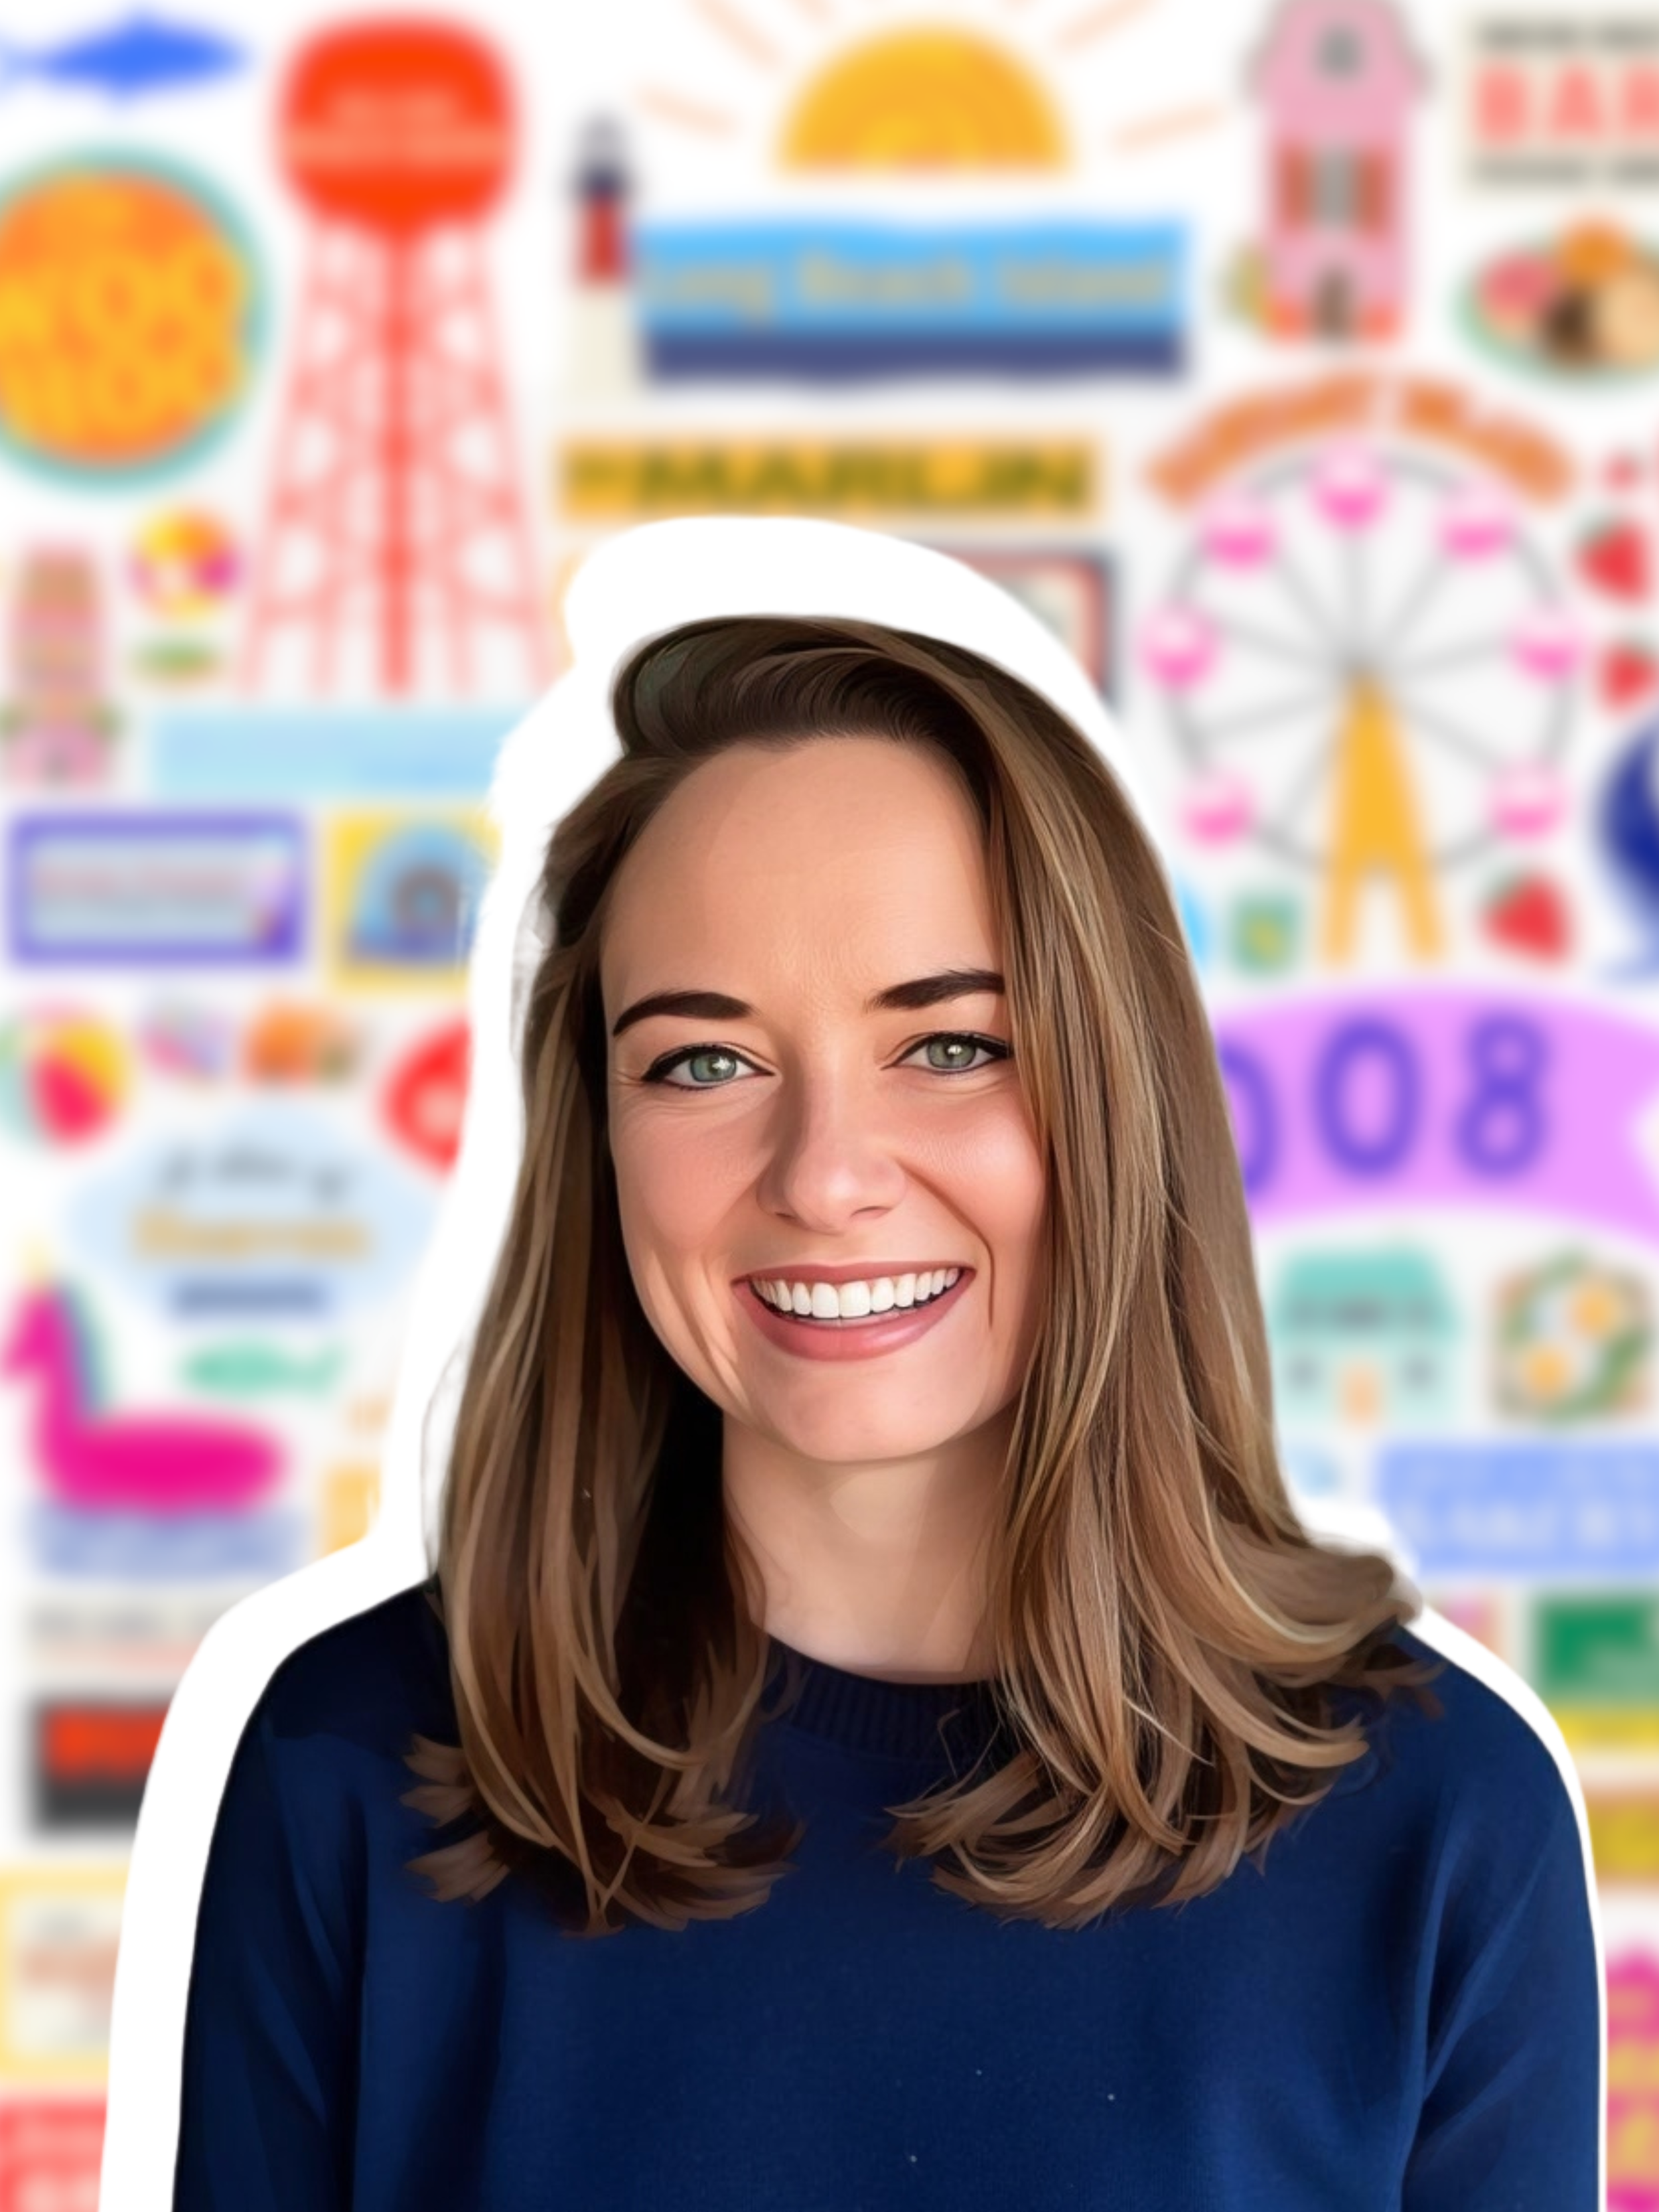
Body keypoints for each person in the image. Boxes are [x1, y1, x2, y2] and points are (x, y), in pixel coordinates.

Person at [166, 518, 1603, 2210]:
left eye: (947, 1045)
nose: (823, 1171)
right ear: (598, 1135)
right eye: (701, 1060)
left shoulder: (1436, 1828)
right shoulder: (351, 1772)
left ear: (1111, 1098)